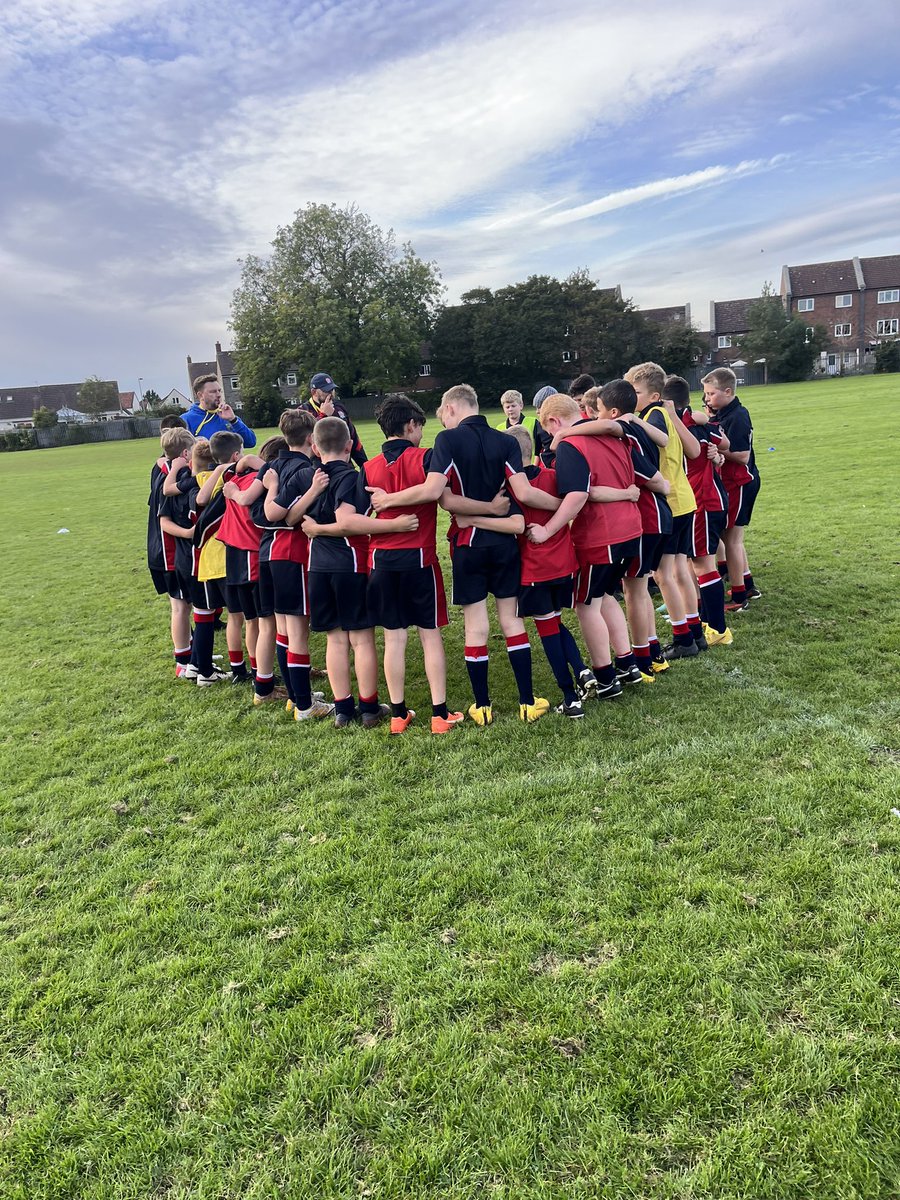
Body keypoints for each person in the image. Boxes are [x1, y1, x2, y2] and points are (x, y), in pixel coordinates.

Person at [367, 384, 557, 725]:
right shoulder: (507, 441)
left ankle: (482, 707)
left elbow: (442, 497)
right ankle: (527, 702)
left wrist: (388, 501)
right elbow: (524, 493)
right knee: (512, 620)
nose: (440, 421)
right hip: (503, 544)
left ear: (452, 407)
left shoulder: (448, 441)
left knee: (475, 626)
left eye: (442, 414)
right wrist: (564, 506)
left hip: (467, 544)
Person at [287, 416, 414, 729]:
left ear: (314, 447)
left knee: (335, 640)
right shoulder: (351, 476)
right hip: (349, 564)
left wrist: (315, 528)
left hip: (317, 567)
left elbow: (286, 516)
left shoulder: (308, 476)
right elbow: (348, 521)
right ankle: (369, 708)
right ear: (349, 445)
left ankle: (343, 709)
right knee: (361, 639)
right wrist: (393, 525)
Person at [352, 394, 464, 734]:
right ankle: (439, 715)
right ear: (411, 425)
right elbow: (439, 496)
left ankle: (399, 715)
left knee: (394, 638)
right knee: (430, 636)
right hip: (419, 559)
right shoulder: (425, 457)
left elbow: (356, 519)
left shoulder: (368, 467)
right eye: (420, 428)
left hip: (380, 562)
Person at [524, 394, 642, 701]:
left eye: (549, 430)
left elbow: (576, 496)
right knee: (604, 596)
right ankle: (627, 664)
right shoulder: (609, 434)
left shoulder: (571, 444)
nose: (550, 438)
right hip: (631, 528)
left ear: (554, 421)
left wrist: (549, 529)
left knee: (586, 604)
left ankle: (604, 676)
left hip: (601, 535)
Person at [496, 424, 594, 717]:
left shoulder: (509, 486)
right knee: (556, 622)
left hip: (535, 568)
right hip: (564, 563)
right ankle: (582, 670)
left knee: (548, 630)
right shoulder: (553, 476)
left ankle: (570, 697)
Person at [589, 381, 673, 683]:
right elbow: (662, 442)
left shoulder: (623, 431)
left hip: (647, 515)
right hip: (659, 514)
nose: (595, 419)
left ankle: (640, 659)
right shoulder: (638, 424)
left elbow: (649, 476)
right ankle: (652, 652)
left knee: (633, 590)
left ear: (612, 412)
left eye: (597, 411)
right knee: (640, 587)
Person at [622, 362, 702, 662]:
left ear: (654, 395)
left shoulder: (653, 415)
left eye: (636, 391)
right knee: (680, 570)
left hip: (670, 501)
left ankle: (683, 637)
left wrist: (631, 420)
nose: (632, 397)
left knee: (663, 574)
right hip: (684, 499)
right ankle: (693, 629)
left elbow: (661, 440)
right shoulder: (663, 412)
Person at [663, 375, 733, 647]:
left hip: (702, 501)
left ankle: (717, 629)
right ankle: (707, 621)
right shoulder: (694, 420)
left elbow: (713, 448)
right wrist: (716, 451)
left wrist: (714, 452)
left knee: (703, 565)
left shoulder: (679, 425)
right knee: (697, 564)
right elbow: (723, 442)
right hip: (711, 498)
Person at [700, 367, 761, 611]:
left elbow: (743, 456)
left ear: (728, 391)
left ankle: (738, 598)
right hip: (732, 483)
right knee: (730, 538)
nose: (707, 399)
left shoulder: (738, 416)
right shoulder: (724, 413)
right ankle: (746, 585)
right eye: (705, 394)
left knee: (732, 539)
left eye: (711, 393)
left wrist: (715, 449)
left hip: (740, 483)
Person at [299, 372, 367, 467]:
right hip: (318, 468)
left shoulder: (339, 407)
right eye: (326, 390)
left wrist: (365, 466)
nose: (331, 394)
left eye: (332, 389)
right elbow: (307, 441)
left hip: (344, 465)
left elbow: (353, 437)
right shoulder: (303, 411)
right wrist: (323, 415)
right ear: (314, 392)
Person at [184, 374, 256, 447]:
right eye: (213, 392)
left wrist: (233, 420)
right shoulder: (186, 420)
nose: (218, 395)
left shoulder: (228, 417)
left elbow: (250, 442)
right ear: (200, 395)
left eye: (219, 391)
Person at [495, 389, 551, 465]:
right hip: (510, 470)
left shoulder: (533, 422)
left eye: (513, 406)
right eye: (507, 407)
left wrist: (535, 466)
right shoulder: (499, 428)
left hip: (531, 467)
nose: (510, 409)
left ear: (521, 405)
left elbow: (539, 449)